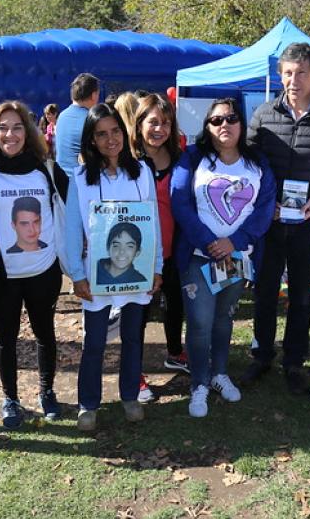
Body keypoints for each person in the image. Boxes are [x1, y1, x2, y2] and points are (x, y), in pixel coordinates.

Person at [171, 97, 276, 418]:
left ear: (241, 124)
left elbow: (265, 206)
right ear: (207, 126)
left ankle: (219, 373)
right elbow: (180, 202)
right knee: (200, 322)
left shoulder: (257, 162)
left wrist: (235, 242)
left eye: (231, 119)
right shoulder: (192, 158)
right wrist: (209, 241)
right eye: (216, 120)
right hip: (198, 256)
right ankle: (199, 383)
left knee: (224, 318)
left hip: (235, 258)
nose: (224, 125)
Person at [65, 103, 163, 431]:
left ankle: (130, 396)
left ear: (124, 132)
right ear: (91, 140)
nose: (111, 139)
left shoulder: (141, 172)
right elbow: (70, 230)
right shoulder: (79, 178)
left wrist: (156, 266)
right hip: (96, 276)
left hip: (136, 274)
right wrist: (77, 276)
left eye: (116, 131)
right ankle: (88, 404)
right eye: (102, 134)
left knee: (133, 337)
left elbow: (153, 225)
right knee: (95, 341)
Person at [243, 43, 310, 394]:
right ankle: (261, 355)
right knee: (265, 292)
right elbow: (249, 168)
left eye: (300, 72)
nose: (293, 80)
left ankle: (294, 362)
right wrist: (266, 205)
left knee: (300, 295)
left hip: (308, 224)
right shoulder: (264, 115)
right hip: (270, 222)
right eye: (287, 73)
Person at [0, 100, 69, 426]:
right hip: (3, 277)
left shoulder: (45, 168)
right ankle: (10, 399)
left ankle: (47, 392)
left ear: (27, 132)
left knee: (45, 334)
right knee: (6, 339)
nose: (10, 134)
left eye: (16, 127)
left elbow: (77, 201)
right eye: (2, 127)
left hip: (43, 270)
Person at [130, 93, 190, 376]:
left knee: (175, 304)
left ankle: (175, 352)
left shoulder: (180, 158)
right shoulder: (127, 160)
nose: (159, 129)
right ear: (139, 123)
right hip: (137, 254)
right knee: (138, 314)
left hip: (172, 249)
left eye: (166, 123)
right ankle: (135, 372)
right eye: (153, 122)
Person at [55, 73, 100, 177]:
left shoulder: (61, 116)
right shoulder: (92, 120)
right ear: (93, 95)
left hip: (61, 182)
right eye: (98, 94)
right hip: (82, 184)